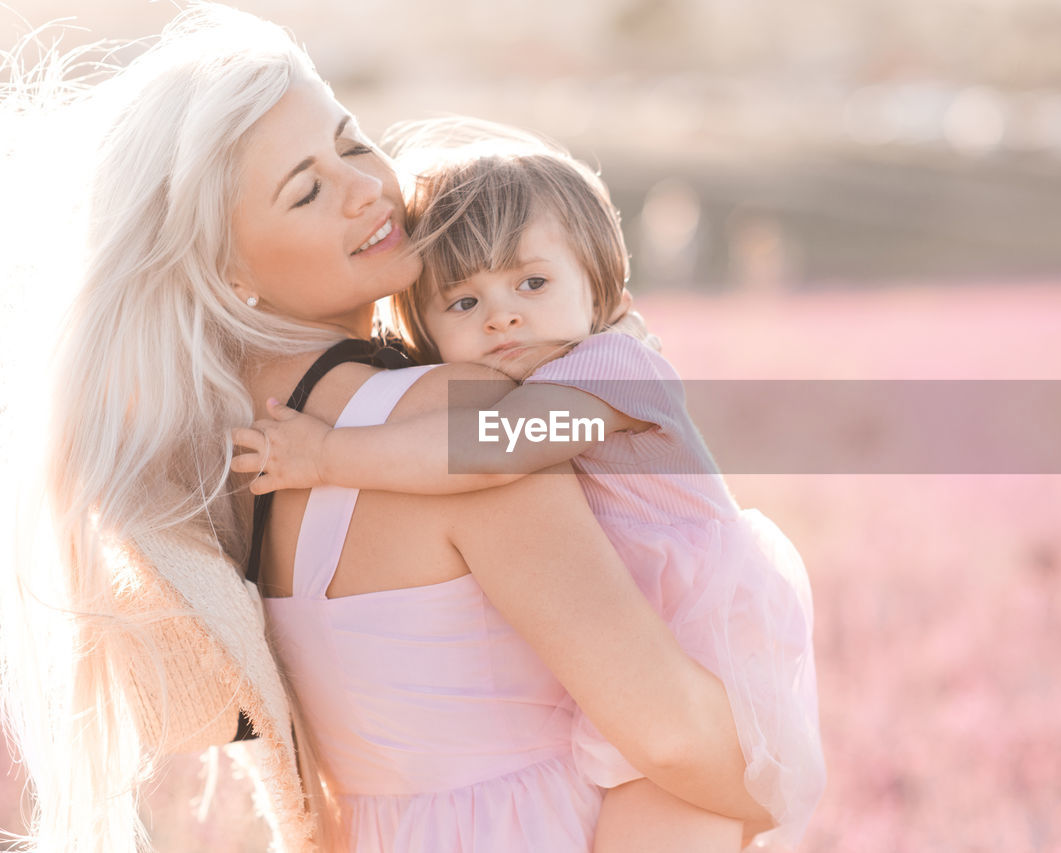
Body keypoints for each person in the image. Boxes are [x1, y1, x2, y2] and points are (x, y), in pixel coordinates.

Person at [0, 5, 771, 852]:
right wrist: (780, 774)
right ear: (226, 267)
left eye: (351, 140)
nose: (365, 186)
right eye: (308, 188)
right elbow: (671, 734)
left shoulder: (241, 474)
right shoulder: (457, 413)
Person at [232, 121, 826, 850]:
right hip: (640, 658)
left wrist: (327, 456)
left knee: (670, 812)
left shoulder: (614, 368)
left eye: (532, 283)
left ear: (601, 286)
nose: (503, 314)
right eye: (464, 303)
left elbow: (495, 450)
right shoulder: (500, 388)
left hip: (705, 646)